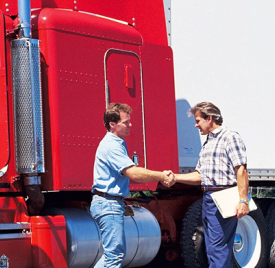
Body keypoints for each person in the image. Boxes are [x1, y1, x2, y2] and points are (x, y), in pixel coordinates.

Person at [90, 103, 175, 268]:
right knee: (113, 257)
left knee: (113, 255)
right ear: (112, 124)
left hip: (110, 203)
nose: (130, 125)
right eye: (125, 122)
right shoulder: (112, 146)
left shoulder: (118, 142)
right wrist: (161, 175)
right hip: (108, 204)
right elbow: (133, 173)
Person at [175, 101, 249, 268]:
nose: (196, 125)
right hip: (208, 198)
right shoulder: (208, 143)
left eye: (198, 120)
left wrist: (243, 201)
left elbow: (241, 170)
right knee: (212, 249)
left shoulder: (230, 137)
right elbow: (200, 176)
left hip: (223, 196)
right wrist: (176, 178)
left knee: (218, 249)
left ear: (209, 119)